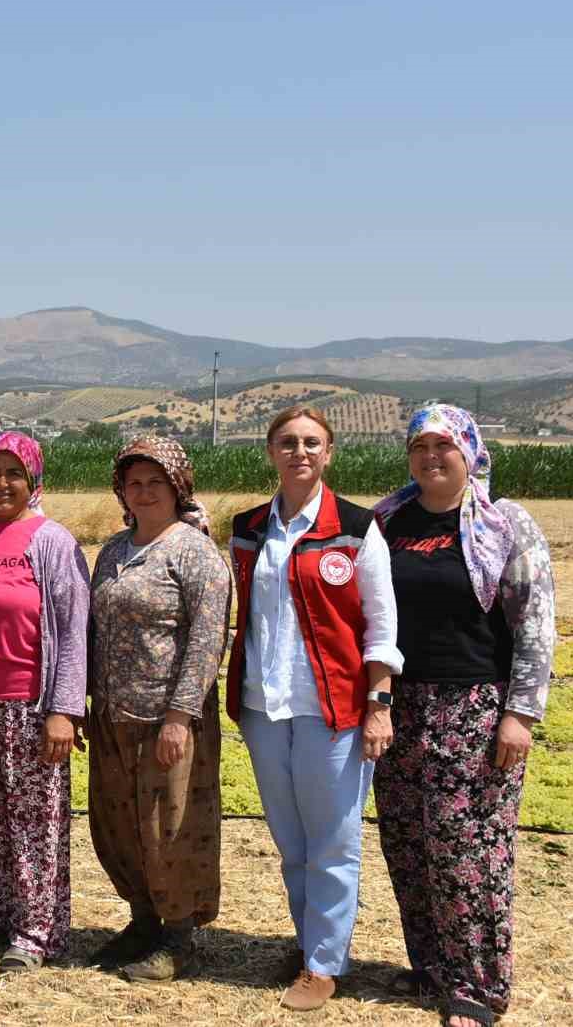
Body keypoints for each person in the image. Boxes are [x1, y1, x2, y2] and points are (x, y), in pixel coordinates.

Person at [372, 405, 555, 1027]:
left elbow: (536, 622)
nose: (431, 457)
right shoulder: (388, 520)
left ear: (469, 451)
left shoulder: (503, 523)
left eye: (443, 445)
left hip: (475, 705)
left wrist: (520, 713)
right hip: (400, 705)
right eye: (419, 446)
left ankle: (478, 985)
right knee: (408, 842)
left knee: (466, 851)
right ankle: (431, 967)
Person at [225, 406, 403, 1012]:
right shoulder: (247, 529)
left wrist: (379, 705)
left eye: (311, 443)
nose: (299, 452)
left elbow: (381, 625)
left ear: (328, 452)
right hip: (263, 708)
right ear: (270, 451)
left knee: (332, 840)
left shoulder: (357, 527)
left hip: (334, 709)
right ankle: (309, 942)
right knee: (291, 841)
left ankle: (324, 964)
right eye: (287, 442)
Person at [85, 437, 231, 984]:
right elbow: (95, 631)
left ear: (177, 487)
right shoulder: (114, 551)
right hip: (113, 715)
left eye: (156, 482)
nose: (144, 492)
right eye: (134, 483)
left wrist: (179, 716)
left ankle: (178, 936)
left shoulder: (195, 553)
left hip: (167, 720)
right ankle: (142, 920)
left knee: (172, 828)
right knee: (120, 824)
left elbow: (207, 641)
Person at [0, 432, 88, 972]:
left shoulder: (52, 542)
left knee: (36, 822)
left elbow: (73, 633)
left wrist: (64, 710)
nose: (2, 483)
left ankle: (36, 931)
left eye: (14, 474)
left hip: (29, 706)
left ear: (34, 481)